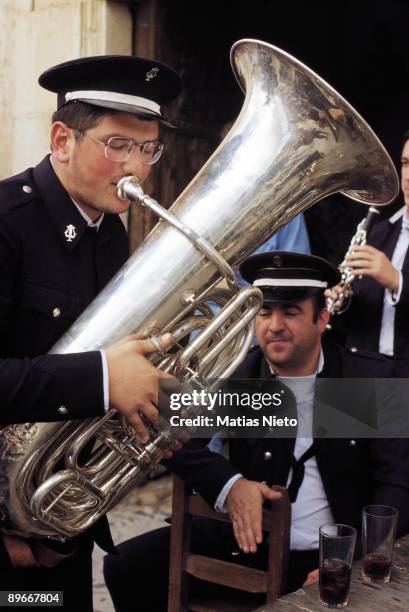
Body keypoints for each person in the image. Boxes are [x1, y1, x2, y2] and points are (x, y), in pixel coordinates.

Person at [103, 251, 409, 611]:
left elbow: (398, 484)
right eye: (264, 312)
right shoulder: (242, 376)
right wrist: (231, 486)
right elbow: (172, 436)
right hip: (251, 547)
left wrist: (351, 562)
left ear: (321, 317)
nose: (274, 325)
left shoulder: (365, 378)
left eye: (291, 312)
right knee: (124, 564)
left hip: (330, 558)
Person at [0, 55, 182, 610]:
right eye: (118, 145)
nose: (138, 169)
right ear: (62, 140)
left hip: (60, 529)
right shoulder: (6, 223)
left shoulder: (108, 234)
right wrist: (105, 377)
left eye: (148, 148)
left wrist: (151, 411)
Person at [326, 131, 409, 375]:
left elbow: (395, 281)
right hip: (365, 369)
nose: (408, 175)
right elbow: (361, 311)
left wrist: (397, 281)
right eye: (405, 163)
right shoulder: (377, 233)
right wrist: (342, 300)